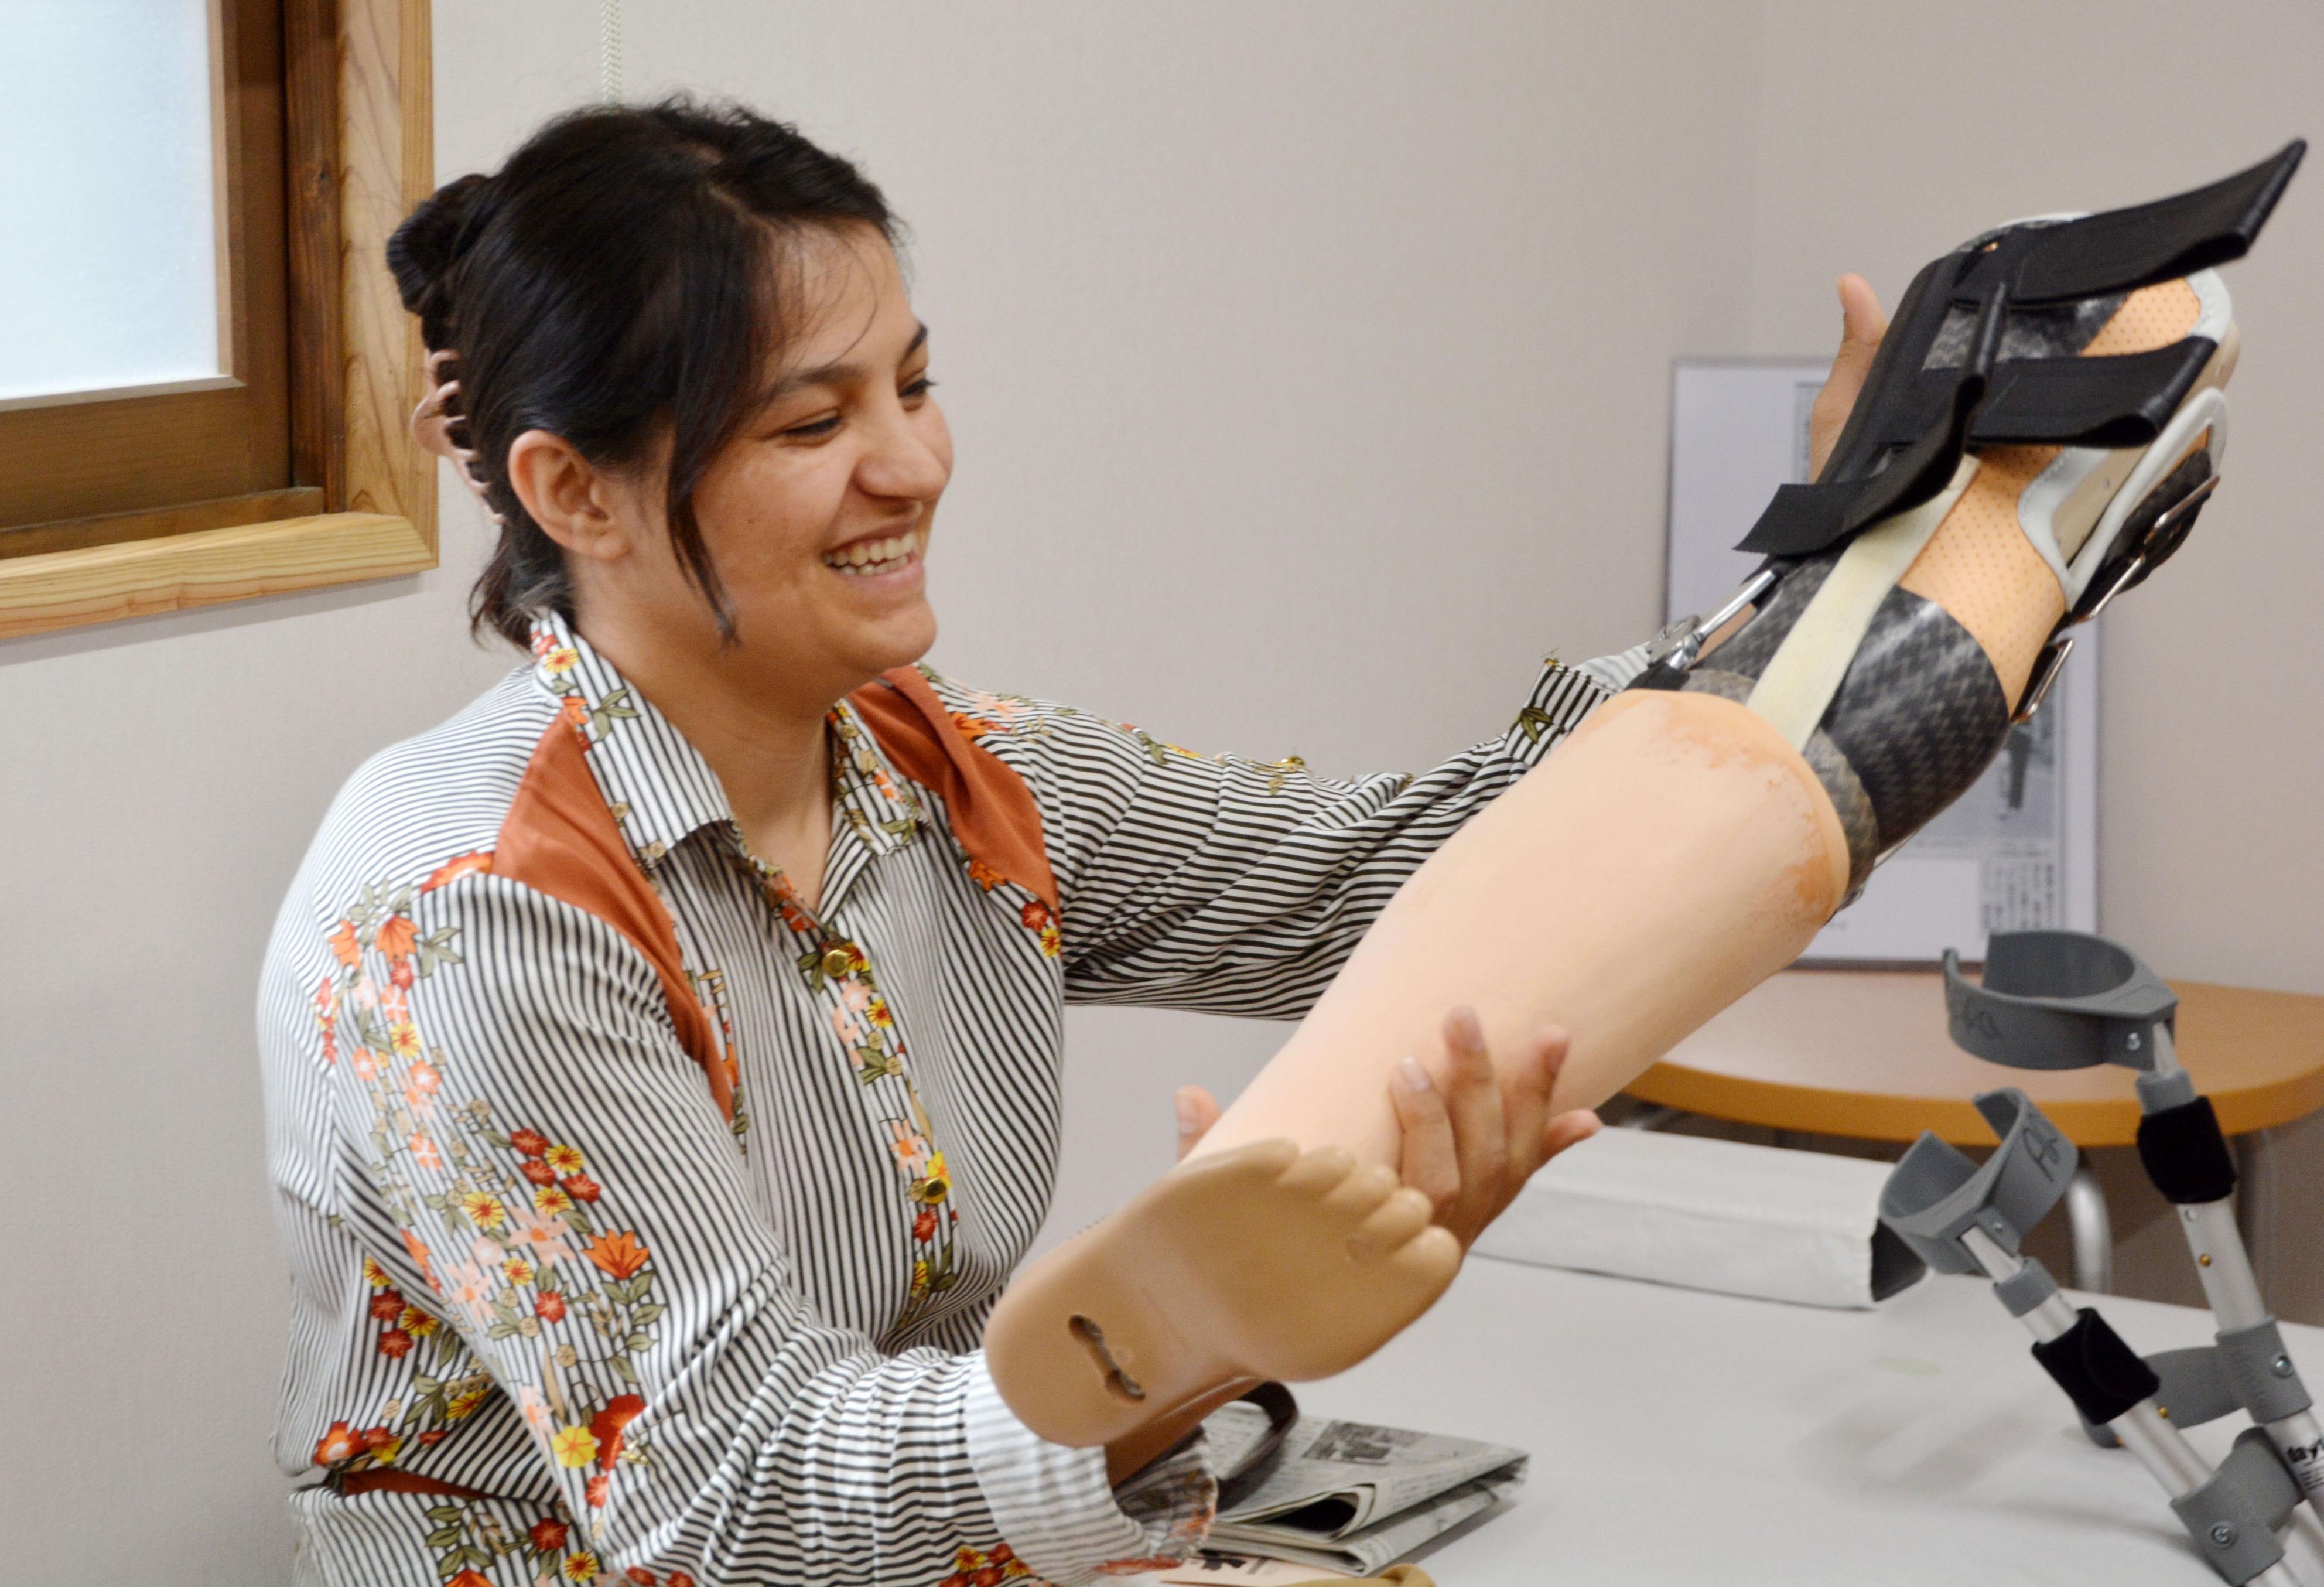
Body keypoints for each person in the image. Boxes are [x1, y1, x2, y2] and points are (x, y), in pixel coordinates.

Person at [258, 97, 1787, 1586]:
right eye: (814, 419)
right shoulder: (479, 920)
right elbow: (733, 1494)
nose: (914, 467)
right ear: (574, 489)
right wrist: (1196, 1333)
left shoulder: (948, 772)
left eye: (910, 389)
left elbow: (1373, 881)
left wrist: (1823, 574)